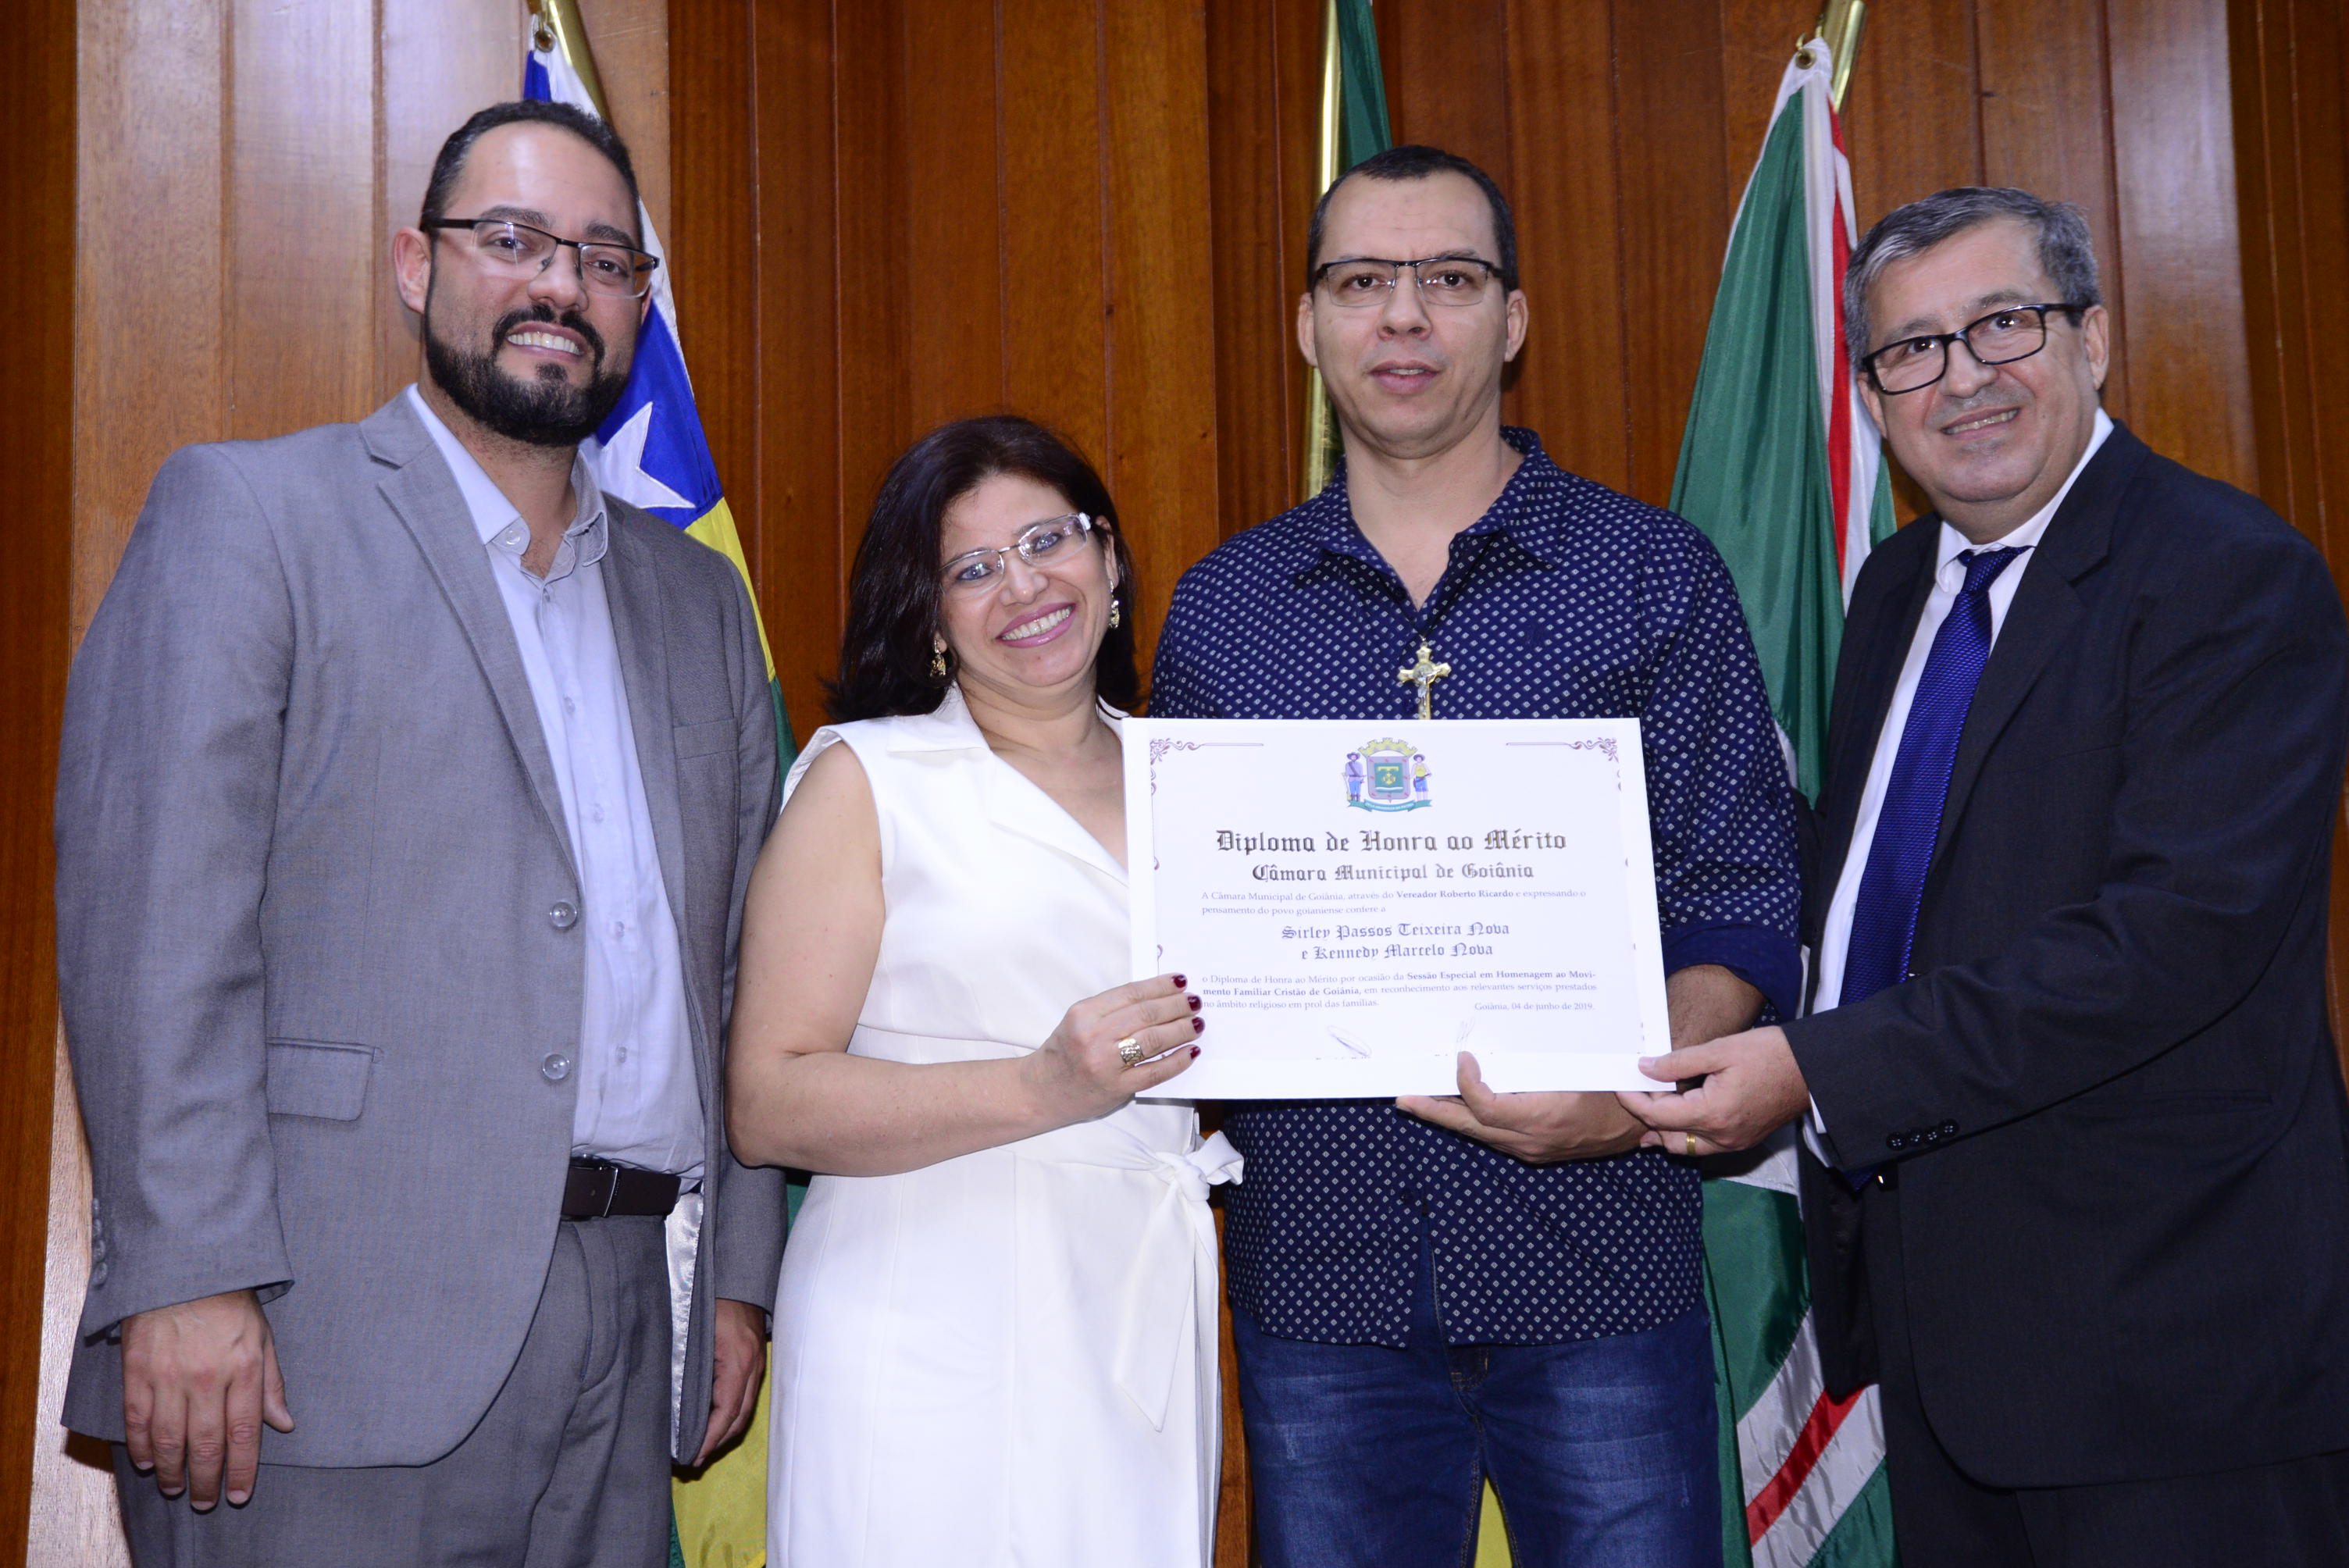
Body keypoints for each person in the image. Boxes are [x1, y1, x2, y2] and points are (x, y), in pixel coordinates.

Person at [54, 100, 782, 1566]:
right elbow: (155, 928)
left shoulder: (698, 604)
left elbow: (735, 969)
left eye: (605, 260)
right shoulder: (253, 515)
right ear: (415, 263)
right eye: (513, 240)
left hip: (632, 1322)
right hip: (313, 1335)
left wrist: (737, 1276)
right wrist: (186, 1272)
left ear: (638, 305)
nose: (560, 285)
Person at [1625, 187, 2349, 1566]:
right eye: (1913, 350)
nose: (1962, 378)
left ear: (2094, 338)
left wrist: (1817, 1072)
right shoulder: (1901, 585)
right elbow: (1872, 887)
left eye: (2003, 324)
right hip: (1946, 1349)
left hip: (2176, 1357)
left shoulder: (2228, 577)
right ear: (1873, 397)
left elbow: (2167, 945)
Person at [1149, 144, 1799, 1567]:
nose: (1403, 316)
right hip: (1322, 1286)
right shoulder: (1223, 611)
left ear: (1512, 320)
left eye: (1448, 278)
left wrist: (1628, 1097)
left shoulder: (1651, 574)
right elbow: (1187, 937)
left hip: (1598, 1264)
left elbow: (1741, 895)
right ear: (1307, 324)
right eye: (1360, 282)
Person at [728, 415, 1241, 1568]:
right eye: (972, 568)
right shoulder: (869, 778)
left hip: (1137, 1305)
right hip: (924, 1324)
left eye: (1048, 540)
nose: (1024, 585)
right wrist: (1042, 1085)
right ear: (932, 618)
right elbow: (768, 1102)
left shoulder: (1204, 781)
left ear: (1109, 558)